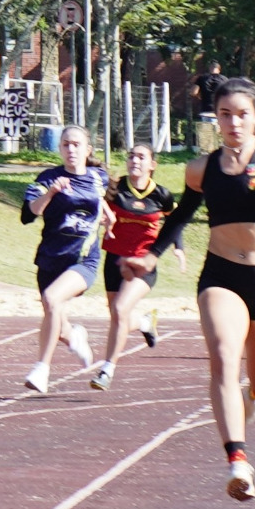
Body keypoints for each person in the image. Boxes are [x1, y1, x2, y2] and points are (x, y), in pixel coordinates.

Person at [127, 77, 255, 502]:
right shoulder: (201, 168)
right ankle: (238, 462)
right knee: (226, 357)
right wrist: (151, 256)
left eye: (243, 114)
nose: (234, 123)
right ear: (217, 119)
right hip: (222, 276)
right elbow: (181, 216)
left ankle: (252, 401)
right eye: (225, 115)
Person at [21, 125, 115, 393]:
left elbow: (100, 199)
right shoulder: (48, 178)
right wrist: (51, 193)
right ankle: (74, 336)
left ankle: (42, 370)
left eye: (76, 144)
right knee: (58, 325)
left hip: (82, 261)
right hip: (50, 260)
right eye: (65, 145)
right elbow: (29, 213)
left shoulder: (98, 177)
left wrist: (109, 216)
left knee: (52, 299)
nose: (71, 149)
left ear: (87, 149)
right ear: (60, 148)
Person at [90, 144, 184, 391]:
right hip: (115, 259)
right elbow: (97, 208)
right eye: (131, 156)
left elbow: (174, 222)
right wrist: (101, 219)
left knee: (120, 309)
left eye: (141, 157)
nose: (135, 160)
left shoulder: (161, 195)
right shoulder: (114, 188)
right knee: (117, 315)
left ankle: (106, 370)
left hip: (144, 263)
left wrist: (178, 248)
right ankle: (144, 323)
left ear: (152, 165)